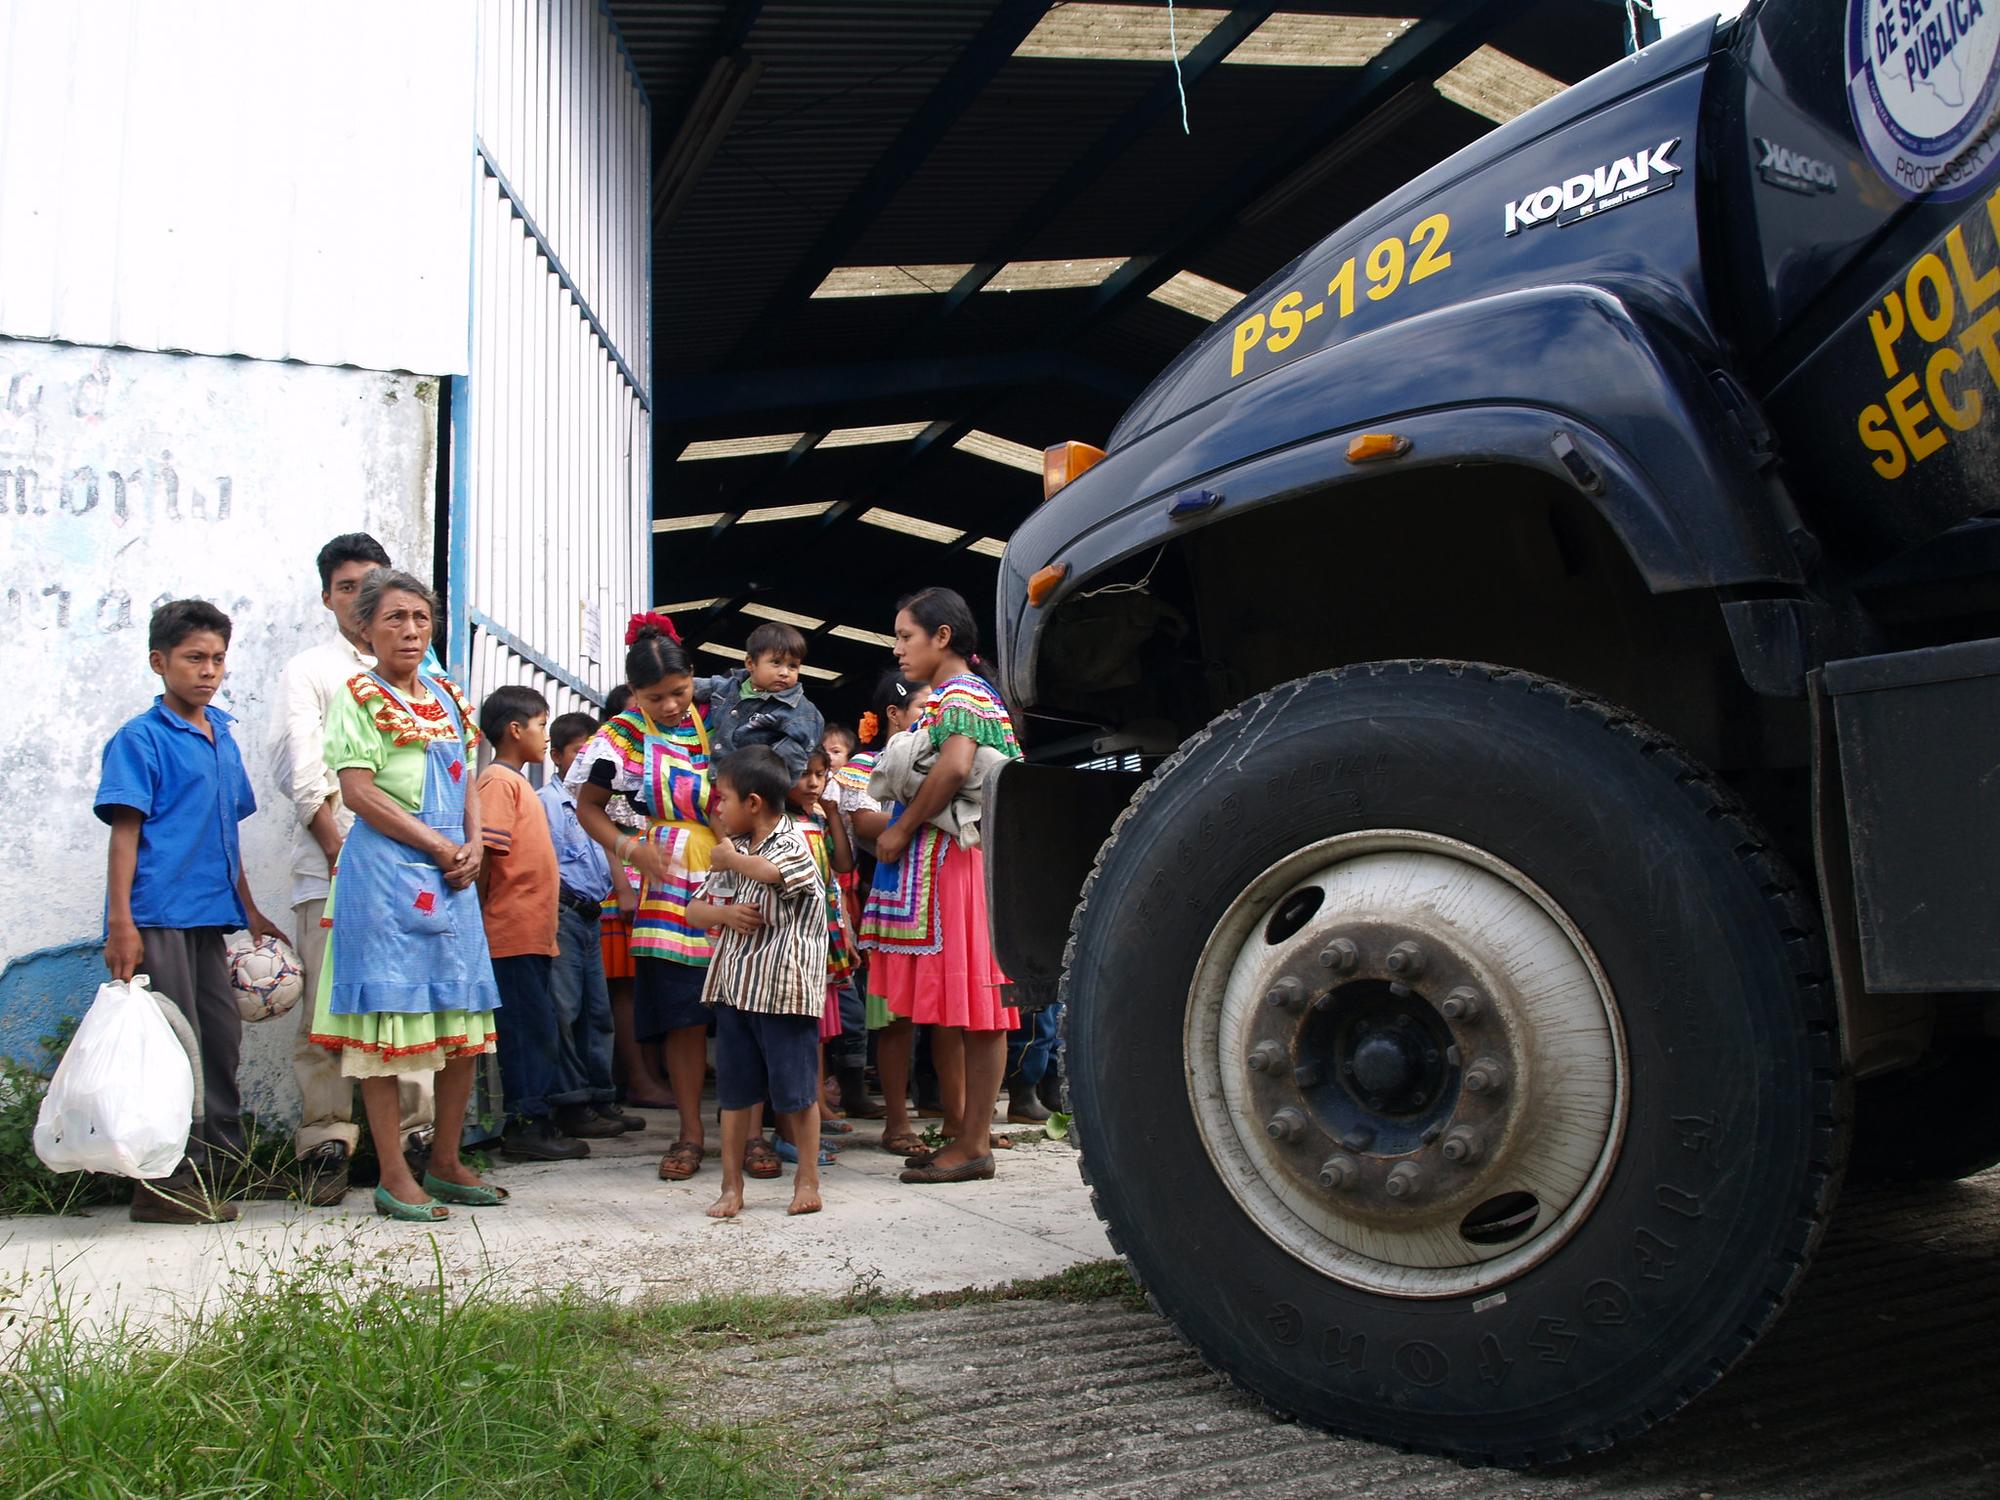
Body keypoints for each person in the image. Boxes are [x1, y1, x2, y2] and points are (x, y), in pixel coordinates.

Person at [305, 568, 505, 1221]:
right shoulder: (358, 698)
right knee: (384, 1031)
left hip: (452, 881)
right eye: (395, 618)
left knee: (460, 1025)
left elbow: (469, 781)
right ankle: (394, 1175)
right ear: (366, 628)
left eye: (420, 618)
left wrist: (472, 845)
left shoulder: (448, 696)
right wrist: (441, 848)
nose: (411, 630)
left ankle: (445, 1159)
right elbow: (359, 792)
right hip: (387, 881)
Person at [98, 599, 287, 1224]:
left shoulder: (222, 737)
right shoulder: (140, 739)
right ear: (160, 662)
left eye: (217, 659)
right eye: (194, 658)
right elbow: (125, 835)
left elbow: (225, 835)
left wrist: (252, 911)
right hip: (157, 915)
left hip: (211, 917)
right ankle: (160, 1186)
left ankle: (220, 1167)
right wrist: (121, 925)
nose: (208, 670)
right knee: (169, 1053)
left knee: (220, 1042)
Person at [270, 532, 435, 1205]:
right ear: (329, 598)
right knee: (330, 1010)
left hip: (414, 873)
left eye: (375, 583)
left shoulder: (425, 673)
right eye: (347, 587)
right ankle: (327, 1143)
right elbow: (301, 768)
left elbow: (443, 772)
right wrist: (343, 850)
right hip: (331, 867)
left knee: (414, 1006)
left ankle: (417, 1142)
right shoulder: (312, 671)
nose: (364, 598)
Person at [862, 588, 1022, 1185]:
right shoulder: (959, 696)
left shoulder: (962, 694)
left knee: (981, 1007)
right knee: (975, 1008)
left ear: (942, 637)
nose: (899, 649)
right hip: (955, 863)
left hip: (962, 863)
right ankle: (967, 1136)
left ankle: (974, 1142)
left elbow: (955, 768)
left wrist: (901, 828)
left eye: (906, 636)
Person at [571, 614, 720, 1183]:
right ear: (633, 694)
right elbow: (589, 807)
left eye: (679, 693)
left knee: (743, 1010)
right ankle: (690, 1134)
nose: (671, 707)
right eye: (655, 697)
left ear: (693, 679)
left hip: (731, 869)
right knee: (684, 1014)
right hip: (669, 881)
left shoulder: (717, 717)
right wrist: (631, 850)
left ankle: (751, 1131)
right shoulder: (621, 738)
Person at [687, 747, 830, 1219]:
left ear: (752, 802)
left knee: (797, 1093)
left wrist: (730, 859)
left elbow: (774, 874)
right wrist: (723, 913)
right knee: (734, 1094)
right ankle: (731, 1187)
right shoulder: (736, 852)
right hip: (734, 991)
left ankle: (806, 1179)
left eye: (722, 799)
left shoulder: (793, 841)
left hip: (781, 993)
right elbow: (694, 910)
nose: (718, 809)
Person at [477, 685, 595, 1161]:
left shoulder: (517, 781)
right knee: (527, 1030)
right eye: (542, 725)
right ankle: (526, 1125)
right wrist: (480, 918)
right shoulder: (499, 782)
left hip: (530, 933)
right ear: (515, 729)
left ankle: (537, 1117)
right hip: (509, 932)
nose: (546, 735)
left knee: (540, 1027)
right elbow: (486, 856)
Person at [541, 711, 642, 1139]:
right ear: (557, 756)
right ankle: (570, 1103)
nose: (588, 760)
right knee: (565, 1010)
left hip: (592, 913)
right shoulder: (545, 803)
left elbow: (611, 855)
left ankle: (601, 1097)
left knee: (597, 1012)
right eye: (578, 752)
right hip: (562, 912)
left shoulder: (598, 806)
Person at [842, 672, 932, 1153]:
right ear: (894, 715)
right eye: (922, 708)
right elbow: (864, 824)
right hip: (892, 894)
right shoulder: (862, 766)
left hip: (939, 893)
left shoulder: (938, 758)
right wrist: (930, 813)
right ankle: (897, 1122)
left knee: (948, 1016)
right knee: (895, 1014)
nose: (932, 717)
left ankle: (958, 1120)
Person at [596, 683, 670, 1108]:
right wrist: (624, 888)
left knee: (649, 987)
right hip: (622, 887)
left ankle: (652, 1072)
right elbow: (599, 824)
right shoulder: (608, 757)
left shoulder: (658, 752)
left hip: (652, 885)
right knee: (626, 990)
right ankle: (639, 1079)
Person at [787, 748, 859, 1140]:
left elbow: (842, 868)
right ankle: (806, 1100)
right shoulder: (782, 823)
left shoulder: (818, 819)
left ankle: (816, 1097)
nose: (814, 783)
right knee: (803, 1024)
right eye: (804, 775)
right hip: (798, 934)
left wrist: (833, 814)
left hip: (826, 929)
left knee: (819, 1025)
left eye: (820, 774)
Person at [694, 622, 825, 778]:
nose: (785, 672)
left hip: (748, 786)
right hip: (708, 774)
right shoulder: (728, 685)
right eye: (776, 662)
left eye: (793, 666)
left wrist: (761, 786)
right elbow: (684, 687)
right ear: (750, 663)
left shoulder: (801, 712)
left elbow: (792, 760)